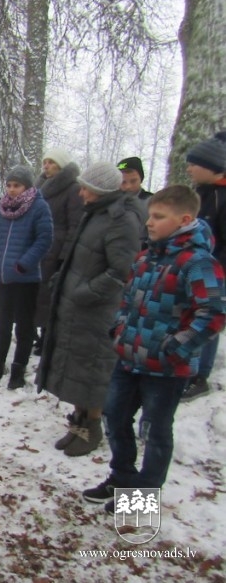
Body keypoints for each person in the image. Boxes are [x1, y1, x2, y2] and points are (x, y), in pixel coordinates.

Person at [83, 185, 226, 514]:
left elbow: (213, 314)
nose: (149, 222)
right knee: (115, 416)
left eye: (159, 217)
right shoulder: (146, 257)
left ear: (184, 220)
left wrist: (174, 347)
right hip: (129, 358)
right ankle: (121, 478)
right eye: (151, 216)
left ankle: (142, 497)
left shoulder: (198, 262)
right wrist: (120, 329)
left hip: (166, 367)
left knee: (155, 431)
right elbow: (128, 300)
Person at [36, 162, 143, 457]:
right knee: (75, 366)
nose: (81, 192)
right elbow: (81, 257)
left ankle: (92, 425)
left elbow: (121, 271)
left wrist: (84, 291)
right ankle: (78, 422)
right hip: (76, 307)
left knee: (92, 368)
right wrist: (65, 278)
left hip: (97, 311)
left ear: (100, 191)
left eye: (86, 188)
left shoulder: (121, 220)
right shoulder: (94, 214)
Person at [0, 166, 53, 388]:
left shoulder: (39, 207)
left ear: (27, 187)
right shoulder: (1, 208)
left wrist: (24, 263)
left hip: (25, 278)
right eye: (9, 185)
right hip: (1, 276)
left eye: (16, 185)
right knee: (3, 324)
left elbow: (44, 239)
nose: (11, 190)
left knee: (25, 327)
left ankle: (18, 370)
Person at [182, 135, 226, 401]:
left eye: (194, 164)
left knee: (208, 319)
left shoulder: (222, 197)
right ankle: (188, 367)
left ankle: (200, 377)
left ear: (212, 167)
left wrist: (214, 269)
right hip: (190, 269)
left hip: (213, 274)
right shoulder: (199, 194)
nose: (189, 168)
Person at [33, 148, 83, 356]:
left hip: (56, 248)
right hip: (38, 247)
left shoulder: (73, 189)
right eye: (45, 162)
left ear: (61, 165)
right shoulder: (39, 187)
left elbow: (75, 224)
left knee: (50, 295)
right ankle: (35, 335)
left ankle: (48, 337)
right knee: (36, 294)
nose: (46, 166)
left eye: (51, 162)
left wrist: (65, 255)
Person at [117, 156, 153, 248]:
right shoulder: (109, 202)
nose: (128, 186)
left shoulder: (152, 202)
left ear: (141, 179)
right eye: (123, 182)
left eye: (133, 181)